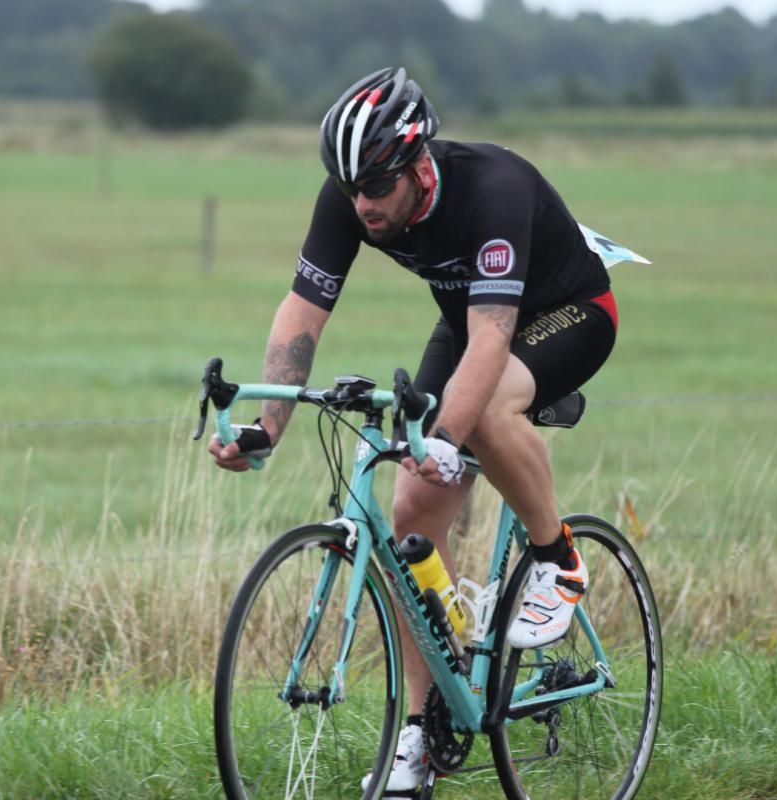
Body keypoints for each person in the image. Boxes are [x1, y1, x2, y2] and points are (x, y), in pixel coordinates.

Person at [208, 66, 619, 794]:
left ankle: (560, 562)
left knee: (481, 417)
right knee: (409, 519)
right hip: (470, 317)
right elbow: (303, 310)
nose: (362, 204)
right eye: (350, 188)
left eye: (375, 187)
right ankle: (422, 734)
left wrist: (448, 441)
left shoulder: (494, 188)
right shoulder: (351, 196)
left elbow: (491, 345)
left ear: (417, 163)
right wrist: (269, 426)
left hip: (568, 313)